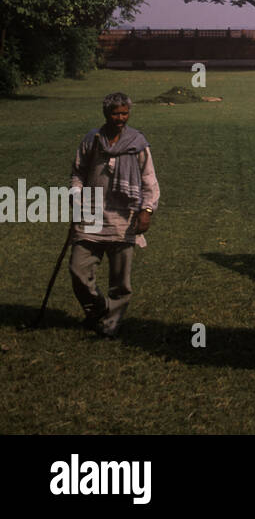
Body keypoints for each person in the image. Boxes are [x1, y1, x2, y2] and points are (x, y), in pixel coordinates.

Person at [69, 93, 159, 338]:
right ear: (105, 114)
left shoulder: (137, 142)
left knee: (120, 282)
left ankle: (111, 325)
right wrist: (75, 194)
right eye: (115, 113)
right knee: (78, 270)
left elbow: (149, 180)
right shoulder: (93, 139)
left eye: (124, 113)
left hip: (124, 218)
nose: (120, 118)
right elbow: (78, 172)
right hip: (92, 214)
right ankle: (100, 310)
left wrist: (147, 210)